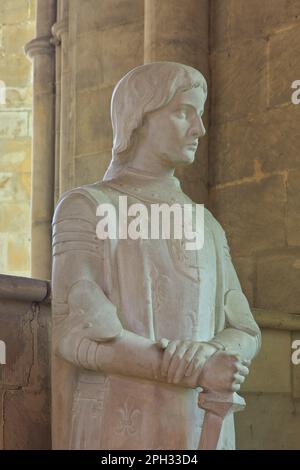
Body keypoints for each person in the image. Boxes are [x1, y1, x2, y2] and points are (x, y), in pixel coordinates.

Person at [51, 62, 261, 450]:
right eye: (183, 112)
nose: (199, 128)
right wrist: (196, 367)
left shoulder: (208, 225)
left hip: (201, 422)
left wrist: (212, 351)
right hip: (119, 424)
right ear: (139, 118)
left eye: (199, 115)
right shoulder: (87, 206)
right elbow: (75, 332)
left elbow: (245, 329)